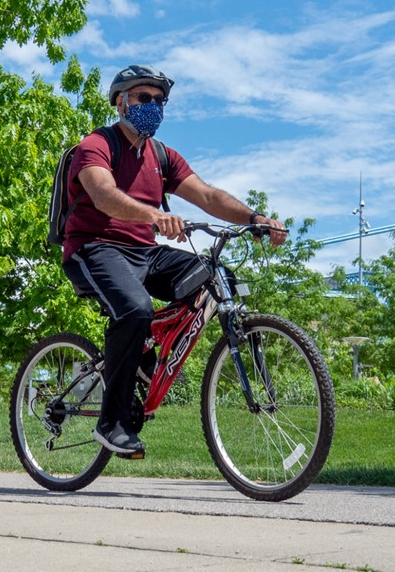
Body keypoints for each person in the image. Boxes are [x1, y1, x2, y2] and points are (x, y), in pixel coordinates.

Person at [62, 65, 288, 458]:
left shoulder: (162, 157)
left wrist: (256, 219)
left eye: (159, 101)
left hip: (145, 254)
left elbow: (208, 195)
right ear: (121, 102)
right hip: (94, 249)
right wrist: (154, 216)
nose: (154, 106)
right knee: (135, 309)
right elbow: (103, 194)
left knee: (217, 280)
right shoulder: (97, 145)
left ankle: (145, 358)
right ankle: (111, 422)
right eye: (143, 98)